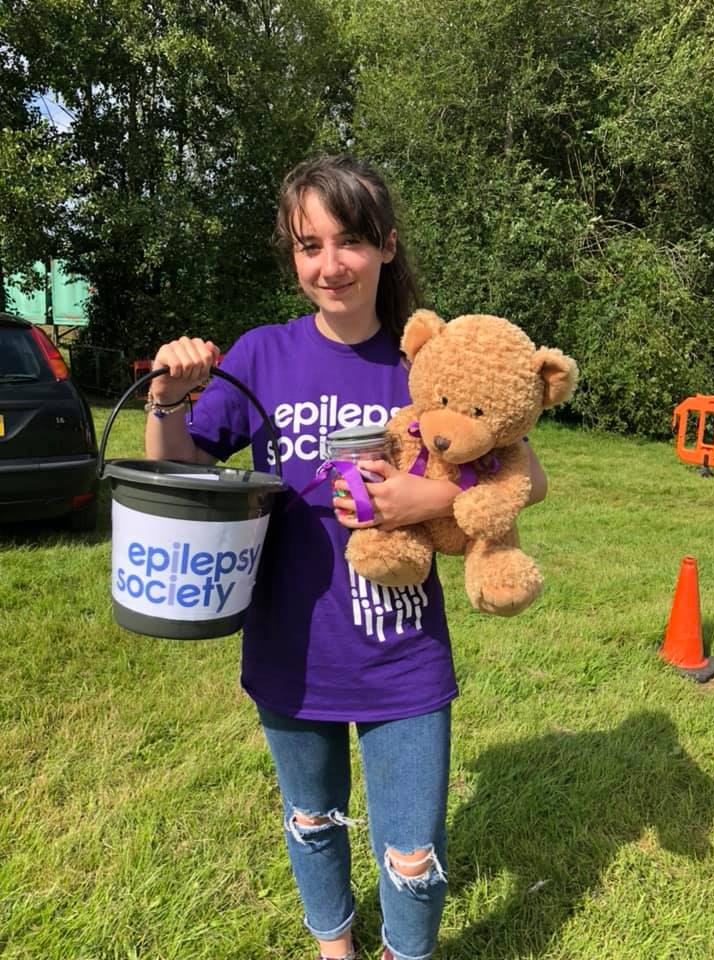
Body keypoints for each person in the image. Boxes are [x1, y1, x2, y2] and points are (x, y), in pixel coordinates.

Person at [145, 155, 547, 960]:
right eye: (308, 246)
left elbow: (525, 475)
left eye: (349, 242)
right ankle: (336, 948)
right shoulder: (262, 355)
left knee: (413, 856)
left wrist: (428, 502)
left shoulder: (424, 362)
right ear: (292, 256)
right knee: (312, 820)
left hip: (403, 653)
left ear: (387, 246)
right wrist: (167, 398)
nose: (330, 265)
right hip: (291, 647)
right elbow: (176, 472)